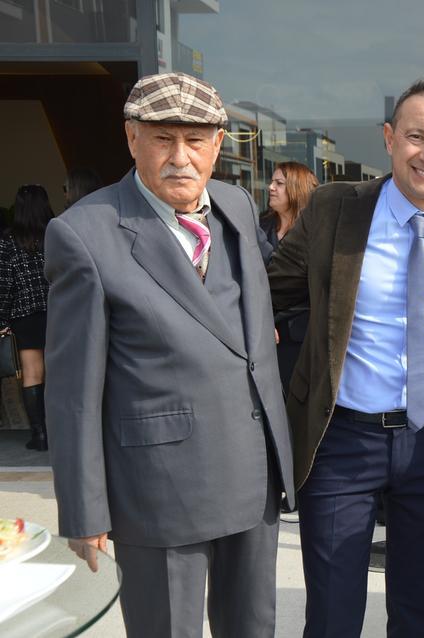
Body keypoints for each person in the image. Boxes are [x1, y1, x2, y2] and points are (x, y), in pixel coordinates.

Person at [44, 72, 295, 637]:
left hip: (251, 471)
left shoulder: (234, 204)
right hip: (158, 488)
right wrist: (84, 510)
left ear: (218, 143)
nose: (181, 157)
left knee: (253, 627)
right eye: (163, 139)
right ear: (132, 138)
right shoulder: (84, 234)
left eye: (196, 140)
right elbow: (72, 393)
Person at [268, 78, 424, 638]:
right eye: (416, 137)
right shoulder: (335, 209)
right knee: (332, 614)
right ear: (389, 138)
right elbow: (268, 290)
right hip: (341, 438)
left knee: (420, 609)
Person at [0, 184, 55, 450]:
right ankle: (61, 431)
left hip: (24, 315)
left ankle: (40, 435)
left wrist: (2, 319)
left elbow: (5, 283)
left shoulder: (8, 242)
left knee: (33, 373)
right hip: (59, 312)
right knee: (60, 372)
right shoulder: (56, 234)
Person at [260, 161, 319, 392]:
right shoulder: (259, 226)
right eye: (272, 182)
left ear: (297, 189)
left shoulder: (315, 232)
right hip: (262, 332)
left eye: (279, 183)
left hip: (300, 336)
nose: (270, 187)